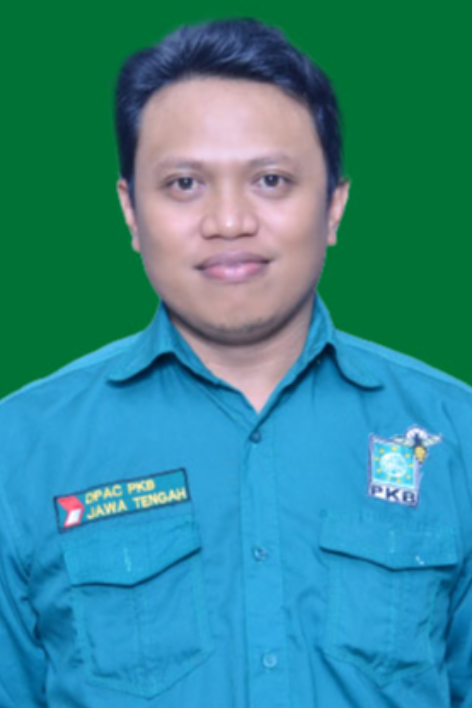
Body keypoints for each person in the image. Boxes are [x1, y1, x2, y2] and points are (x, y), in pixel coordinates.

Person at [0, 17, 470, 708]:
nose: (228, 222)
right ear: (130, 210)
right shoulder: (21, 448)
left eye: (271, 180)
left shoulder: (455, 434)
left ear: (334, 206)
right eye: (185, 183)